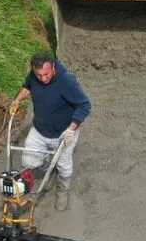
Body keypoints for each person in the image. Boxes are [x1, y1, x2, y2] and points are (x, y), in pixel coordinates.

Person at [9, 53, 91, 211]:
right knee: (29, 161)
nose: (43, 78)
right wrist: (17, 100)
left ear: (53, 67)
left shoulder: (67, 81)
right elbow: (28, 85)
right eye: (39, 75)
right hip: (40, 129)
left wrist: (70, 130)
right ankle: (48, 169)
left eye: (46, 74)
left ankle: (63, 190)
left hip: (63, 132)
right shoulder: (35, 75)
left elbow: (85, 106)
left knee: (64, 166)